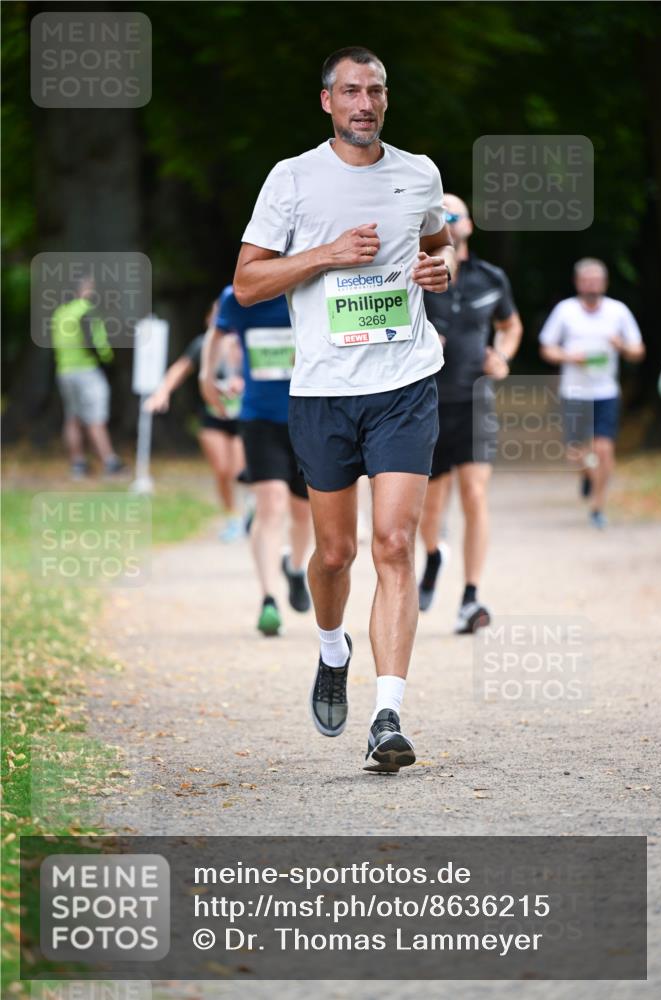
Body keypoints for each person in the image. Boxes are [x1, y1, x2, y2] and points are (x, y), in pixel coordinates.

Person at [230, 46, 456, 773]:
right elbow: (247, 284)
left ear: (387, 99)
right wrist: (325, 254)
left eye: (376, 91)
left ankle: (387, 715)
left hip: (405, 382)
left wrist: (439, 269)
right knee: (335, 555)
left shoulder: (418, 173)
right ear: (327, 101)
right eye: (351, 91)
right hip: (324, 391)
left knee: (393, 543)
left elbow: (438, 241)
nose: (365, 103)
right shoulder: (292, 178)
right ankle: (333, 649)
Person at [418, 194, 523, 632]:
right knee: (430, 508)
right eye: (438, 213)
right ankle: (433, 555)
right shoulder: (417, 274)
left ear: (469, 225)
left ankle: (470, 596)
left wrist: (502, 357)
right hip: (427, 403)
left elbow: (510, 325)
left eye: (452, 213)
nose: (445, 218)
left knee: (475, 496)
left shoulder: (491, 278)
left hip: (475, 402)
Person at [200, 286, 312, 636]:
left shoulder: (311, 286)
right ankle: (269, 600)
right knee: (270, 507)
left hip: (309, 416)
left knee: (303, 513)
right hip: (260, 419)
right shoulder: (240, 296)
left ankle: (295, 568)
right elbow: (217, 332)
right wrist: (206, 376)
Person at [539, 258, 645, 529]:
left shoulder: (618, 311)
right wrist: (569, 356)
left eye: (596, 281)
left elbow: (638, 351)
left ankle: (598, 506)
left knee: (604, 449)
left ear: (605, 283)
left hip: (606, 392)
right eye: (586, 280)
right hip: (574, 392)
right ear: (578, 283)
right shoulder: (565, 311)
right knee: (577, 452)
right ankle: (588, 473)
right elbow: (546, 348)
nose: (591, 285)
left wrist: (622, 346)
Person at [145, 300, 246, 541]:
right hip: (212, 417)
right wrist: (162, 392)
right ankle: (233, 517)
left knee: (239, 471)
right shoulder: (202, 345)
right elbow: (180, 369)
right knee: (222, 470)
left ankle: (252, 509)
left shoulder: (245, 342)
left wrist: (244, 384)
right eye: (216, 315)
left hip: (244, 417)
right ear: (208, 319)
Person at [51, 276, 124, 479]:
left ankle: (78, 464)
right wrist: (107, 360)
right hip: (87, 370)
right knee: (96, 418)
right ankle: (109, 462)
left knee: (72, 418)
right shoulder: (87, 310)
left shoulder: (60, 313)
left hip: (65, 370)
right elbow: (96, 341)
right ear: (83, 290)